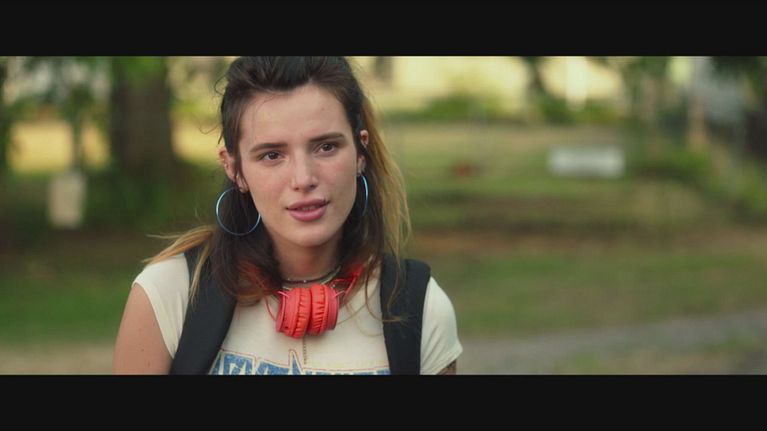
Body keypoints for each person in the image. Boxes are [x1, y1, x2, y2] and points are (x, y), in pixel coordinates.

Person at [112, 56, 462, 375]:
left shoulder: (420, 307)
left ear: (360, 153)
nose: (303, 179)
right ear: (235, 169)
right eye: (272, 155)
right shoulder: (169, 293)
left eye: (326, 147)